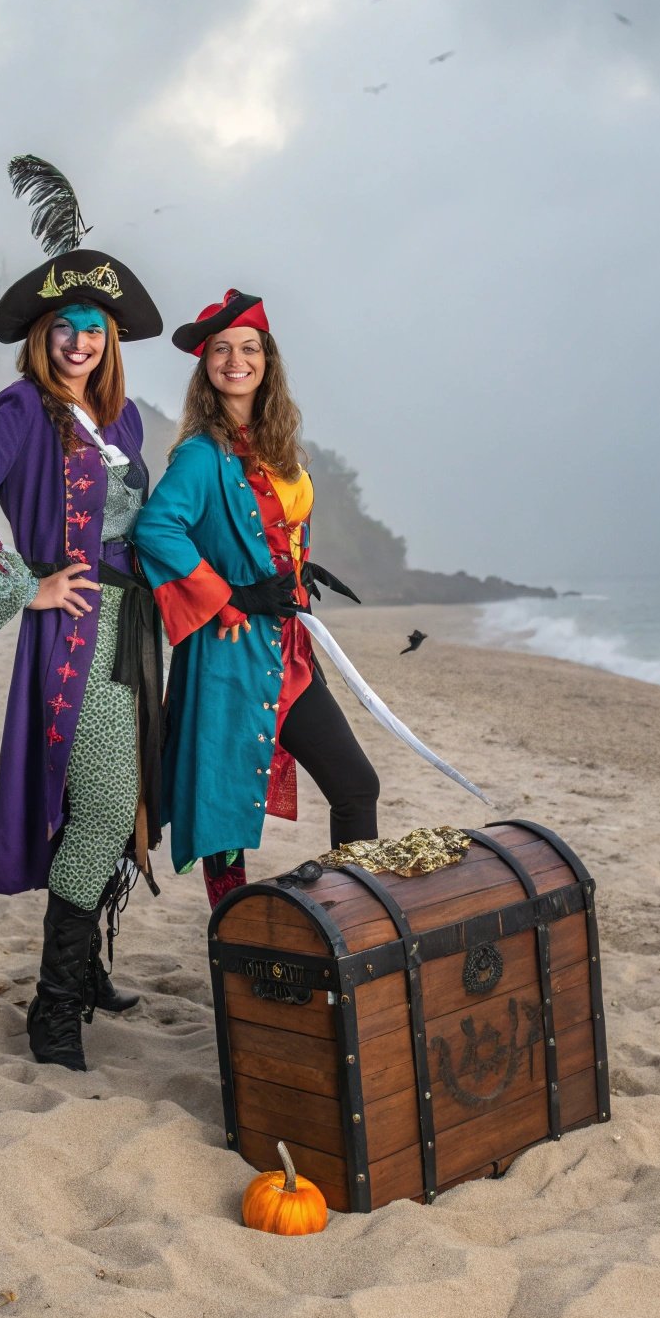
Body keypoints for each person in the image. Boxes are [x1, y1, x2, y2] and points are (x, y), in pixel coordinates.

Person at [0, 244, 163, 1073]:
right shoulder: (24, 409)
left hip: (135, 631)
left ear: (111, 339)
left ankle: (88, 966)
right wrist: (16, 584)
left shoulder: (125, 420)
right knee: (103, 807)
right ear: (41, 336)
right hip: (76, 631)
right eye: (63, 328)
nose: (78, 342)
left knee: (124, 799)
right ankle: (54, 1004)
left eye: (93, 329)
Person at [132, 289, 380, 907]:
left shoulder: (276, 445)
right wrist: (230, 594)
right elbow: (156, 529)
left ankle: (349, 921)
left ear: (267, 360)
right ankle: (231, 940)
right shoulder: (200, 453)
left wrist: (293, 566)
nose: (234, 360)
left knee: (356, 787)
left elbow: (268, 525)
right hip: (231, 652)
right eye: (221, 350)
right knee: (221, 820)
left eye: (247, 349)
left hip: (289, 651)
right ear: (206, 365)